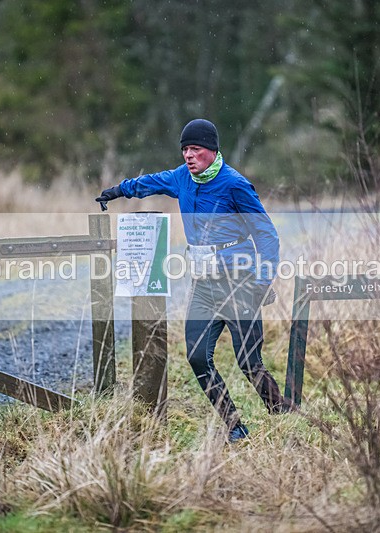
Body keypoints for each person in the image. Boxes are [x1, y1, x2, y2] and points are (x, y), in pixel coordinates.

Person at [96, 118, 292, 443]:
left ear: (212, 151)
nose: (188, 155)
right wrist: (117, 191)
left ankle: (280, 414)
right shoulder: (181, 177)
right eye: (185, 149)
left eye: (195, 149)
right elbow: (149, 182)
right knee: (198, 356)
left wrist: (263, 280)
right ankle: (234, 426)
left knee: (248, 361)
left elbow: (266, 234)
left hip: (238, 281)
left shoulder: (235, 184)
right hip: (204, 285)